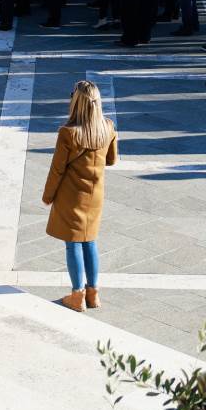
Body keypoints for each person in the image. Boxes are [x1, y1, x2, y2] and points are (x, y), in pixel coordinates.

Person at [42, 80, 119, 312]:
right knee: (90, 241)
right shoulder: (108, 127)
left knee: (73, 243)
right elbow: (111, 160)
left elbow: (57, 170)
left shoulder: (68, 133)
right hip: (95, 196)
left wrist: (48, 196)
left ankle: (77, 295)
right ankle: (93, 294)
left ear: (76, 103)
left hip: (71, 196)